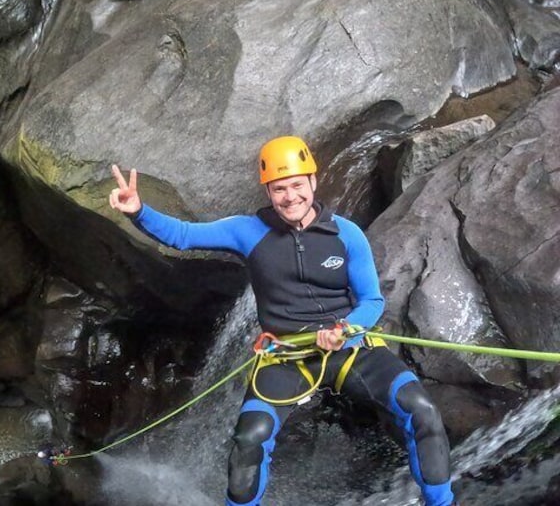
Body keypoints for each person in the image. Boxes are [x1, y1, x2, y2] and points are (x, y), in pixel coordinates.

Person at [108, 136, 456, 506]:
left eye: (296, 185)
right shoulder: (247, 231)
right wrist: (139, 211)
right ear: (268, 191)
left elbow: (371, 301)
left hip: (349, 348)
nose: (290, 197)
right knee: (250, 439)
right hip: (286, 357)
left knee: (422, 411)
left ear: (312, 182)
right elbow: (183, 236)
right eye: (279, 189)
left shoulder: (346, 234)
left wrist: (345, 329)